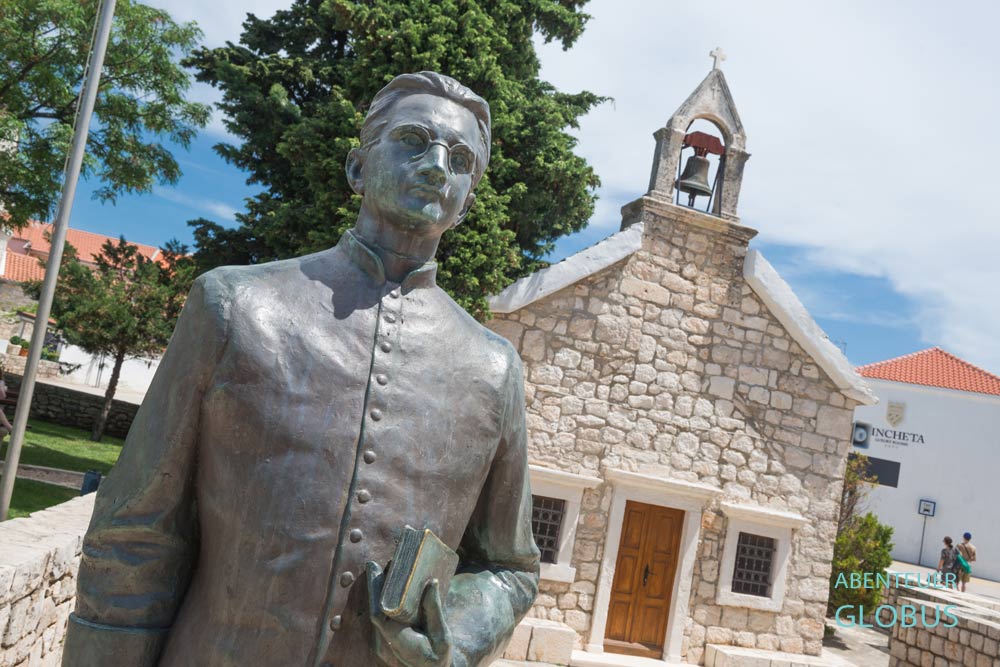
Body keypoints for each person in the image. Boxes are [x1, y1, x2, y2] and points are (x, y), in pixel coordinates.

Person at [63, 72, 540, 667]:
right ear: (357, 167)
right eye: (413, 141)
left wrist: (459, 632)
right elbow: (135, 534)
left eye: (461, 158)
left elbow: (509, 567)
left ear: (468, 200)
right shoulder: (234, 306)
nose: (438, 165)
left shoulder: (495, 370)